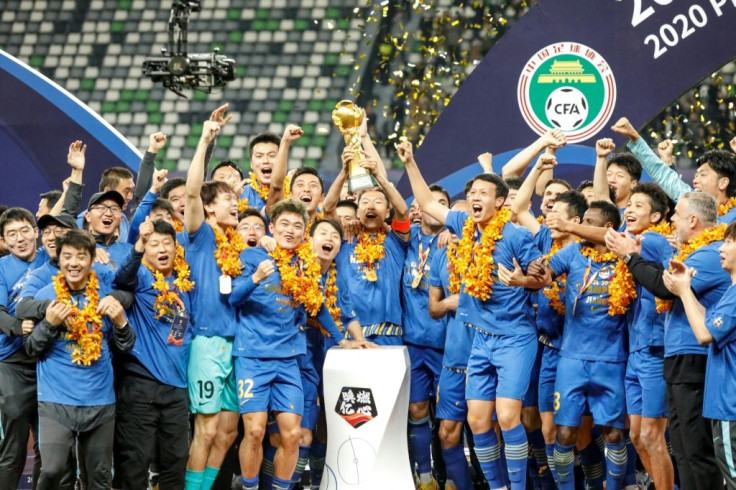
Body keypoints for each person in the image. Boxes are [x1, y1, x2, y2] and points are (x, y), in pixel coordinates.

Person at [401, 140, 544, 489]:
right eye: (472, 191)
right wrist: (409, 163)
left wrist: (522, 279)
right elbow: (426, 204)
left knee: (508, 418)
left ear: (500, 201)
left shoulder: (515, 236)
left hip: (515, 339)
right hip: (481, 340)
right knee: (479, 422)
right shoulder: (464, 225)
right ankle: (497, 487)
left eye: (483, 191)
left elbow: (545, 278)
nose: (475, 196)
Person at [229, 200, 358, 490]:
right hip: (253, 357)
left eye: (298, 226)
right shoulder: (250, 256)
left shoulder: (305, 265)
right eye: (284, 224)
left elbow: (319, 306)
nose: (290, 230)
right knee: (255, 431)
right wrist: (255, 278)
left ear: (304, 233)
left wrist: (342, 340)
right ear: (271, 227)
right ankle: (249, 487)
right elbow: (233, 298)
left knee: (293, 436)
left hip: (289, 361)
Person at [608, 192, 729, 489]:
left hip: (694, 358)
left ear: (693, 220)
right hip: (679, 358)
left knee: (696, 450)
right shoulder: (693, 253)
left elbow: (664, 288)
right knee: (685, 450)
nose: (672, 219)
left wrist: (630, 256)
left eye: (677, 215)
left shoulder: (709, 254)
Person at [529, 201, 632, 490]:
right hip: (572, 359)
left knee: (613, 434)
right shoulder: (572, 253)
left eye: (590, 220)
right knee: (564, 434)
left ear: (608, 227)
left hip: (611, 360)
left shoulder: (625, 252)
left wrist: (571, 225)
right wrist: (536, 268)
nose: (582, 224)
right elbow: (547, 272)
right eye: (581, 220)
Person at [25, 229, 135, 489]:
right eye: (67, 257)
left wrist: (121, 322)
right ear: (59, 260)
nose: (74, 263)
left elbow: (125, 346)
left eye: (81, 257)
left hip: (99, 402)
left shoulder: (106, 295)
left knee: (99, 477)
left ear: (92, 259)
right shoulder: (45, 296)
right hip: (55, 401)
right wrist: (49, 324)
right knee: (51, 472)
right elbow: (31, 348)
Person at [112, 218, 195, 489]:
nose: (161, 249)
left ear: (175, 247)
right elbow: (123, 277)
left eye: (167, 243)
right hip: (141, 384)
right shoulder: (143, 276)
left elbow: (183, 330)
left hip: (177, 387)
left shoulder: (185, 281)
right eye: (154, 244)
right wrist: (137, 246)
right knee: (135, 462)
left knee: (175, 461)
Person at [183, 111, 241, 490]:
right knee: (205, 429)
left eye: (235, 198)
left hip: (239, 346)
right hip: (206, 344)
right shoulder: (200, 236)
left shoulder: (241, 244)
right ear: (208, 208)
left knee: (228, 430)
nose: (235, 203)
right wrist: (206, 140)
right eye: (226, 198)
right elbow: (190, 192)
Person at [604, 183, 675, 489]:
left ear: (657, 217)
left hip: (655, 350)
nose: (629, 210)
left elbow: (612, 238)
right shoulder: (631, 242)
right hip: (636, 351)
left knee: (651, 435)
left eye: (638, 206)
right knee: (636, 435)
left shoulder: (654, 241)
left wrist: (570, 226)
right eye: (628, 205)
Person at [663, 221, 736, 488]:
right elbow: (709, 319)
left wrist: (683, 291)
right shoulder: (730, 293)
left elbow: (705, 334)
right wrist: (685, 290)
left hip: (731, 405)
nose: (721, 247)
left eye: (729, 242)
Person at [402, 184, 451, 489]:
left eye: (441, 203)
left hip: (447, 345)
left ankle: (455, 477)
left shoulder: (456, 242)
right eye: (428, 201)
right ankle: (424, 477)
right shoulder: (406, 238)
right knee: (417, 411)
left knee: (449, 419)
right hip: (411, 342)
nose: (434, 206)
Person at [0, 208, 47, 490]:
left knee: (49, 446)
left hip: (47, 363)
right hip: (12, 365)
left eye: (24, 230)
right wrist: (19, 327)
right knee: (13, 447)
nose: (20, 238)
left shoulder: (51, 258)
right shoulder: (2, 267)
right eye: (12, 234)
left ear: (36, 231)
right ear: (3, 240)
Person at [612, 117, 736, 224]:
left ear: (723, 182)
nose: (695, 180)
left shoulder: (733, 216)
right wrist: (634, 137)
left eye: (703, 175)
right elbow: (663, 174)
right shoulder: (691, 203)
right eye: (696, 175)